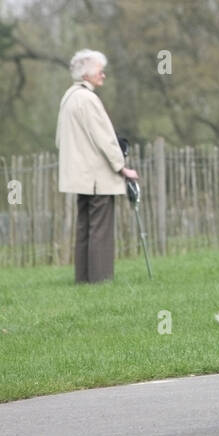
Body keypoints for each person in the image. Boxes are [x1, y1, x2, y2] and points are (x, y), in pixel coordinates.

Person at [56, 49, 138, 284]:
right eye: (99, 70)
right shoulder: (88, 99)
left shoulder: (69, 96)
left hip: (79, 176)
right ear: (86, 73)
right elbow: (105, 139)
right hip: (97, 176)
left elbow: (59, 139)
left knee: (85, 227)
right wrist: (122, 167)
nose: (103, 75)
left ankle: (83, 279)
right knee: (100, 230)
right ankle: (101, 280)